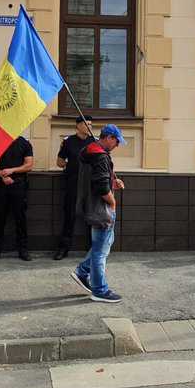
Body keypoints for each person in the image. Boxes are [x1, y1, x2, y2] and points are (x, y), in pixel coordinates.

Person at [70, 124, 125, 303]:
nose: (117, 145)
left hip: (92, 206)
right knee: (101, 251)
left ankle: (82, 271)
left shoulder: (91, 152)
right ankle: (99, 290)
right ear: (108, 137)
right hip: (101, 209)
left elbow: (99, 180)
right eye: (116, 141)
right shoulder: (100, 157)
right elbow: (101, 186)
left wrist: (113, 183)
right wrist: (113, 201)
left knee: (103, 244)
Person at [0, 135, 35, 261]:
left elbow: (29, 165)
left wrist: (12, 170)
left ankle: (23, 250)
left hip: (19, 184)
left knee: (20, 218)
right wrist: (2, 176)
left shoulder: (24, 143)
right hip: (1, 184)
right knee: (0, 217)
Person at [54, 115, 93, 260]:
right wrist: (70, 165)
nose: (89, 126)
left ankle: (92, 249)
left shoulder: (94, 142)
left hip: (89, 185)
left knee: (90, 217)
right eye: (86, 123)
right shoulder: (68, 142)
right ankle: (63, 249)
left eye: (91, 124)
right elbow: (59, 162)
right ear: (78, 126)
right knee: (69, 215)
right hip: (72, 184)